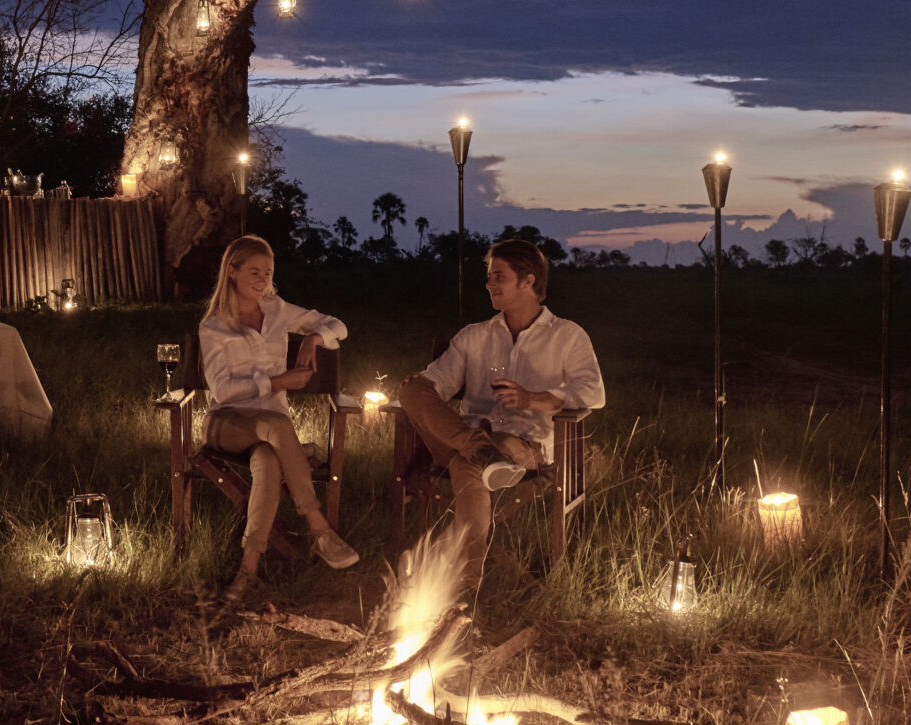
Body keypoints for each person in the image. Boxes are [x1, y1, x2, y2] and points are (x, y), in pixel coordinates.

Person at [401, 237, 605, 593]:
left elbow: (593, 394)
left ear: (528, 281)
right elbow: (438, 383)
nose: (489, 284)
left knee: (470, 465)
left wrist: (533, 398)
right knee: (409, 390)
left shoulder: (568, 336)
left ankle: (465, 584)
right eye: (489, 277)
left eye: (499, 276)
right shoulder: (474, 336)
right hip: (460, 435)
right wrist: (423, 383)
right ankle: (480, 451)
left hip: (523, 444)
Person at [196, 234, 362, 605]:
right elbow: (221, 390)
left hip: (270, 431)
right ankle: (318, 527)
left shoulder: (278, 311)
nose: (262, 279)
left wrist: (312, 339)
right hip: (226, 422)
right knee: (278, 425)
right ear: (232, 272)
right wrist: (277, 382)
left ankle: (248, 568)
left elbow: (338, 325)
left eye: (268, 273)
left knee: (269, 462)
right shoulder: (214, 327)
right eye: (254, 271)